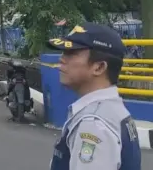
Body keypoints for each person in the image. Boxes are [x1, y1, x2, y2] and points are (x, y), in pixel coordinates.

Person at [47, 22, 140, 170]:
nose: (62, 59)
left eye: (71, 53)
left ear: (99, 67)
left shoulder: (94, 124)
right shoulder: (112, 111)